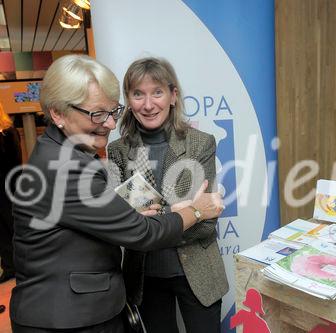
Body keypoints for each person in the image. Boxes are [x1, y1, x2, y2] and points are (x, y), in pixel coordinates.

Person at [10, 54, 224, 332]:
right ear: (57, 113)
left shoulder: (69, 154)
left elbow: (122, 217)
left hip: (182, 277)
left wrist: (151, 216)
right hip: (70, 314)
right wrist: (194, 210)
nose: (111, 124)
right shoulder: (74, 166)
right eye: (97, 114)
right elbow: (139, 230)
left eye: (111, 112)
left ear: (173, 96)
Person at [108, 57, 229, 333]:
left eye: (157, 92)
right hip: (145, 278)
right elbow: (129, 226)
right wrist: (187, 212)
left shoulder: (200, 143)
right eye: (138, 94)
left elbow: (207, 222)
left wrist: (153, 224)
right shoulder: (118, 151)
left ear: (173, 96)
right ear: (128, 99)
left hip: (197, 273)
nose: (148, 105)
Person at [0, 103, 21, 284]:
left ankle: (21, 265)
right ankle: (8, 266)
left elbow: (14, 162)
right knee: (1, 231)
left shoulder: (8, 133)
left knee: (12, 226)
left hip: (8, 187)